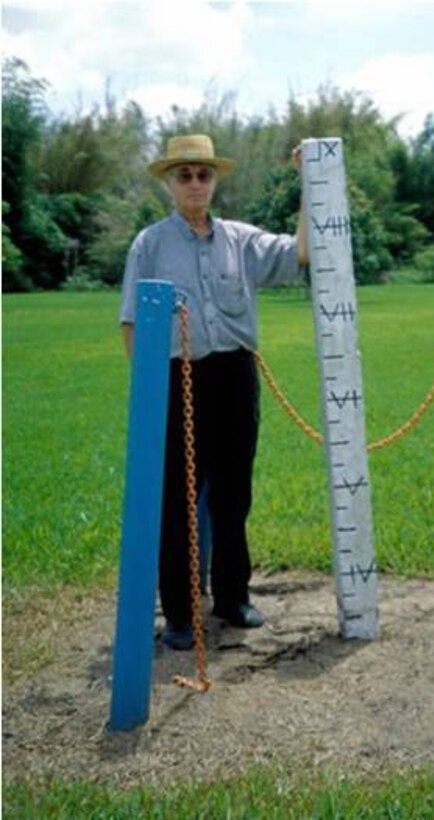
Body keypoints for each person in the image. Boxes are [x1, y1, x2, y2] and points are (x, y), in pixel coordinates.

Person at [119, 134, 308, 650]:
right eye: (184, 175)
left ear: (215, 180)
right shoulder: (150, 245)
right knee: (177, 500)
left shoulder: (241, 240)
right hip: (177, 381)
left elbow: (302, 254)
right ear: (169, 183)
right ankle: (180, 613)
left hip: (235, 377)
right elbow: (132, 323)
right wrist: (150, 393)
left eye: (204, 174)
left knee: (232, 496)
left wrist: (309, 185)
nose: (195, 183)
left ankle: (231, 598)